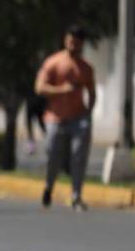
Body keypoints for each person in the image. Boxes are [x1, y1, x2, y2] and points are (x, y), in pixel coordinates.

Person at [35, 25, 96, 211]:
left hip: (78, 118)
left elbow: (91, 92)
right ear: (65, 40)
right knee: (53, 154)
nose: (73, 45)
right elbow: (39, 88)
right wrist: (61, 90)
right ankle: (48, 187)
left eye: (77, 42)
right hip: (56, 117)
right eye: (71, 40)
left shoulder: (86, 68)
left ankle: (76, 195)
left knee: (79, 156)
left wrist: (89, 112)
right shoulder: (54, 62)